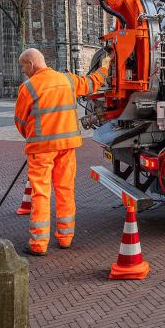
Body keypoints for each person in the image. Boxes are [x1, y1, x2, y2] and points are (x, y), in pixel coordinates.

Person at [14, 48, 110, 256]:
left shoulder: (28, 87)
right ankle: (65, 238)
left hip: (41, 149)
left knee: (41, 192)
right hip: (67, 146)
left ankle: (39, 244)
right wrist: (106, 66)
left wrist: (33, 136)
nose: (23, 71)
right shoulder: (67, 80)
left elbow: (20, 122)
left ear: (31, 64)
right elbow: (92, 83)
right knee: (65, 189)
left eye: (23, 66)